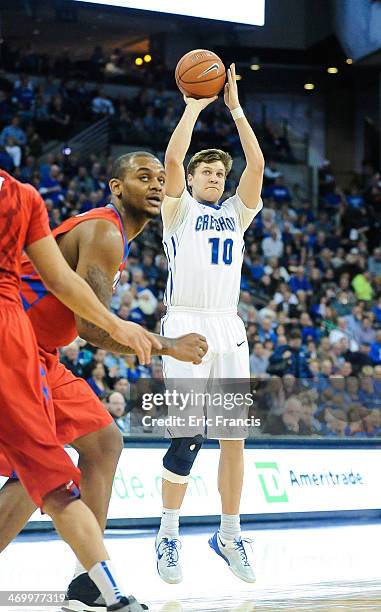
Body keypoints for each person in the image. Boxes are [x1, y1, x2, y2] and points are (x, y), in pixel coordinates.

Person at [0, 154, 208, 611]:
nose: (155, 185)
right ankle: (98, 582)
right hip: (18, 351)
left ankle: (86, 584)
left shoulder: (112, 234)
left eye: (160, 178)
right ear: (116, 186)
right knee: (35, 470)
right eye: (143, 177)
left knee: (104, 442)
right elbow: (92, 329)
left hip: (44, 357)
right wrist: (167, 345)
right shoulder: (105, 231)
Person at [156, 64, 264, 584]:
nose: (216, 177)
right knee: (188, 435)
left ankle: (229, 531)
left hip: (229, 328)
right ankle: (168, 533)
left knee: (233, 439)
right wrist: (195, 105)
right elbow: (173, 157)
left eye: (221, 173)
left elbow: (257, 165)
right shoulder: (175, 213)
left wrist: (236, 109)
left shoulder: (236, 214)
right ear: (193, 180)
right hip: (186, 328)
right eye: (209, 172)